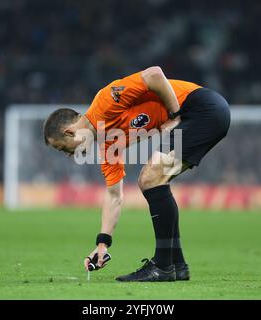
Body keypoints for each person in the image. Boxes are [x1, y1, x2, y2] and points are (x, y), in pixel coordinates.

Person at [43, 66, 230, 281]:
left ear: (69, 132)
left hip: (202, 109)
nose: (68, 155)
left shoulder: (105, 100)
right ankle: (177, 265)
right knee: (155, 180)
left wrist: (174, 114)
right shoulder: (107, 145)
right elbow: (114, 196)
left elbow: (154, 74)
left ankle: (162, 266)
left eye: (63, 148)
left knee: (151, 178)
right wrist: (102, 244)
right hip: (202, 116)